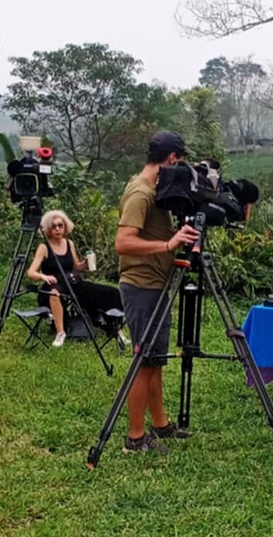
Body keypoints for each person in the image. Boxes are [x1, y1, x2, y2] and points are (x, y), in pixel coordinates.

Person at [114, 130, 199, 454]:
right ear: (172, 159)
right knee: (142, 362)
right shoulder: (141, 192)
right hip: (141, 286)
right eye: (182, 161)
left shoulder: (157, 189)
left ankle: (160, 424)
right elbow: (123, 242)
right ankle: (135, 438)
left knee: (155, 360)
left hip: (155, 284)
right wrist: (168, 244)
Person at [27, 209, 125, 348]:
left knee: (111, 292)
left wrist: (85, 264)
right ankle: (60, 332)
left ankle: (117, 329)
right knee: (54, 294)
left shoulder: (69, 244)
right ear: (48, 229)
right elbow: (31, 272)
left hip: (73, 282)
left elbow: (75, 267)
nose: (57, 229)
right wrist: (43, 276)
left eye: (60, 225)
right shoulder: (44, 247)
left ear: (65, 226)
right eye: (53, 226)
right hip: (54, 284)